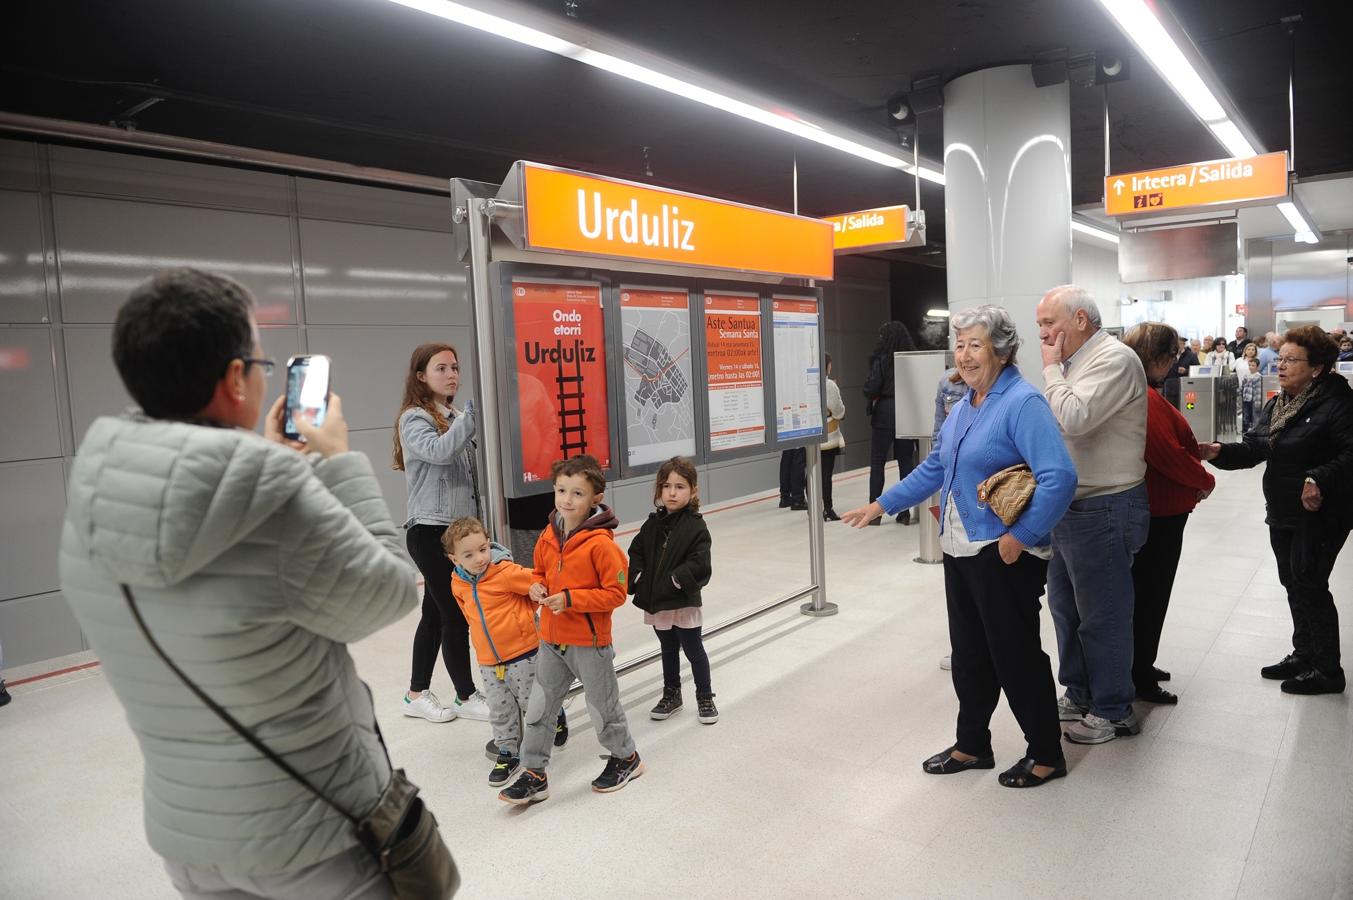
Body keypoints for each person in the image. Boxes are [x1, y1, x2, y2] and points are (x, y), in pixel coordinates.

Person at [59, 269, 424, 897]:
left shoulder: (94, 503)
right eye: (258, 361)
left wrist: (265, 464)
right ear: (234, 379)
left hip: (191, 836)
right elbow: (390, 591)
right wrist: (339, 461)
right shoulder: (276, 505)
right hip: (314, 833)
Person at [842, 305, 1077, 788]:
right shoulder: (966, 403)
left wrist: (1019, 538)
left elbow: (1060, 478)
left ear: (1002, 350)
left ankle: (1047, 753)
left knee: (1015, 656)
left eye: (975, 344)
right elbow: (936, 468)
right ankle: (973, 744)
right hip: (961, 549)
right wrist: (880, 504)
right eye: (960, 344)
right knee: (970, 655)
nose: (965, 355)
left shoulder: (1022, 402)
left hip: (1001, 554)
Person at [1200, 326, 1353, 695]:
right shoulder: (1281, 402)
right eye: (1280, 358)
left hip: (1322, 511)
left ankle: (1328, 670)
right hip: (1283, 508)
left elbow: (1351, 453)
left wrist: (1318, 477)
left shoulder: (1338, 402)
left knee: (1310, 582)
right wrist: (1220, 452)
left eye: (1290, 360)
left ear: (1317, 367)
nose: (1280, 366)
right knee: (1292, 581)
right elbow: (1256, 446)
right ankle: (1304, 654)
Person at [1036, 284, 1149, 745]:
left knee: (1103, 613)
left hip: (1105, 504)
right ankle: (1080, 692)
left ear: (1080, 320)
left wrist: (1048, 372)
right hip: (1070, 504)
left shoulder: (1114, 359)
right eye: (1040, 323)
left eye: (1049, 322)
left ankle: (1114, 708)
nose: (1042, 332)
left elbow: (1075, 417)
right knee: (1065, 608)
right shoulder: (1072, 364)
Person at [499, 455, 643, 805]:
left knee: (602, 705)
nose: (566, 499)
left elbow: (616, 593)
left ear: (595, 497)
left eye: (577, 493)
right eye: (561, 490)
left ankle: (626, 757)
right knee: (539, 709)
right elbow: (539, 572)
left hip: (588, 642)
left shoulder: (602, 545)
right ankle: (534, 772)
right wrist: (535, 587)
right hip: (551, 640)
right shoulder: (550, 533)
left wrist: (571, 599)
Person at [395, 344, 491, 723]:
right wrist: (472, 416)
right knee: (454, 612)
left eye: (455, 367)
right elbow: (440, 453)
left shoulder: (453, 415)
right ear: (421, 376)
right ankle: (465, 696)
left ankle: (416, 694)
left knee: (434, 614)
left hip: (455, 532)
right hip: (430, 530)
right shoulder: (415, 418)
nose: (452, 375)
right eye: (441, 368)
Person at [1122, 323, 1216, 706]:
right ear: (1158, 358)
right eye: (1172, 355)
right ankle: (1140, 673)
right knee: (1149, 596)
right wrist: (1203, 478)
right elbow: (1165, 453)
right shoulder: (1143, 396)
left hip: (1160, 508)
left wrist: (1196, 454)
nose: (1176, 362)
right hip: (1159, 512)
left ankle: (1142, 662)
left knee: (1147, 594)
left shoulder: (1142, 393)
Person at [446, 517, 557, 788]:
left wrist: (532, 598)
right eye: (469, 554)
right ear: (454, 559)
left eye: (483, 549)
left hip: (523, 654)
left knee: (531, 705)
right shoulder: (457, 584)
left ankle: (535, 753)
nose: (479, 558)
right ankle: (508, 752)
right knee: (500, 709)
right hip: (488, 660)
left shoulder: (504, 572)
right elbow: (469, 616)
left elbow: (536, 585)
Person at [628, 457, 717, 724]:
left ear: (693, 491)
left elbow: (700, 562)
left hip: (683, 602)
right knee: (667, 649)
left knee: (693, 650)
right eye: (666, 486)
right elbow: (637, 551)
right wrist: (640, 576)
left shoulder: (696, 526)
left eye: (680, 486)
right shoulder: (652, 525)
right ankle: (672, 694)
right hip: (657, 602)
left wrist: (677, 580)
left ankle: (705, 695)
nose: (672, 492)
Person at [863, 321, 919, 525]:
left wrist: (868, 389)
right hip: (907, 413)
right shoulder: (911, 361)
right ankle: (904, 512)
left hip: (885, 412)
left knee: (878, 462)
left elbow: (871, 388)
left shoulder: (882, 360)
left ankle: (874, 513)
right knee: (905, 461)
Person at [820, 353, 846, 521]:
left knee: (813, 473)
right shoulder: (829, 385)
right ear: (828, 366)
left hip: (811, 437)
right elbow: (838, 410)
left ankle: (814, 506)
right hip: (828, 437)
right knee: (825, 474)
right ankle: (827, 508)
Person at [1163, 337, 1198, 407]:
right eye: (1175, 344)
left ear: (1183, 344)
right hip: (1170, 388)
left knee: (1189, 408)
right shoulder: (1169, 355)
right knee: (1170, 408)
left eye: (1178, 344)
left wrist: (1186, 371)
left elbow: (1197, 371)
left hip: (1188, 389)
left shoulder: (1191, 356)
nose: (1176, 346)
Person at [1240, 356, 1263, 433]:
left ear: (1257, 367)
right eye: (1249, 365)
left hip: (1254, 400)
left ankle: (1255, 431)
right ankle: (1245, 431)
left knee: (1255, 416)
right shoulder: (1246, 375)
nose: (1251, 367)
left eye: (1253, 365)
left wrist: (1258, 402)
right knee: (1245, 416)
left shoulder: (1259, 377)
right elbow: (1242, 387)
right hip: (1246, 399)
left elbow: (1258, 390)